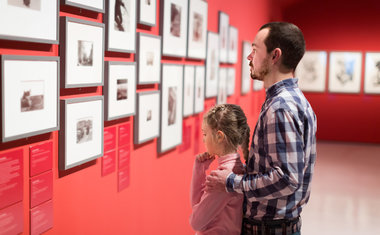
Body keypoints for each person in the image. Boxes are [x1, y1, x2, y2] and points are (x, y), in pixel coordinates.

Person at [205, 22, 317, 235]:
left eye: (255, 50)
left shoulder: (281, 107)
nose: (249, 57)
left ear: (275, 56)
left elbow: (287, 179)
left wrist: (231, 182)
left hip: (269, 229)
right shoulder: (294, 100)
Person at [190, 104, 251, 235]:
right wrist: (200, 168)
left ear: (219, 136)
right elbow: (198, 206)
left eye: (205, 134)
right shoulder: (238, 169)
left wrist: (198, 171)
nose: (203, 139)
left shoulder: (222, 179)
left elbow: (196, 221)